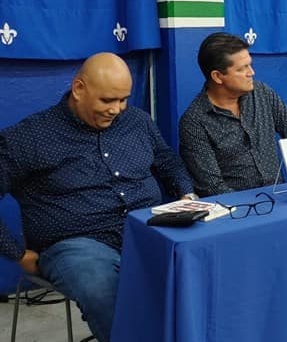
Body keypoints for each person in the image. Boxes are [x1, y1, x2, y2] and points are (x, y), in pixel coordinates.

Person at [0, 53, 195, 342]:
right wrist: (16, 253)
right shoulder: (30, 137)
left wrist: (186, 192)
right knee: (100, 286)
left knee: (203, 263)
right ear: (79, 89)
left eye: (124, 99)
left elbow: (167, 160)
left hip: (148, 230)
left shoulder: (137, 122)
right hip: (77, 244)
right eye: (107, 101)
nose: (117, 109)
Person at [179, 32, 287, 196]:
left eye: (250, 65)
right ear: (218, 77)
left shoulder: (261, 92)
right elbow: (211, 186)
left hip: (279, 197)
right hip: (237, 211)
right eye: (242, 68)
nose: (251, 72)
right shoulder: (194, 121)